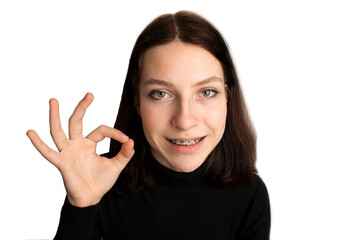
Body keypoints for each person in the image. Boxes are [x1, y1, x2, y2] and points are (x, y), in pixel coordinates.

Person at [27, 10, 270, 239]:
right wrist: (81, 207)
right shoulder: (100, 184)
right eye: (161, 94)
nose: (184, 121)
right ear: (137, 100)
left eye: (206, 92)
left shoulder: (250, 196)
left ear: (228, 96)